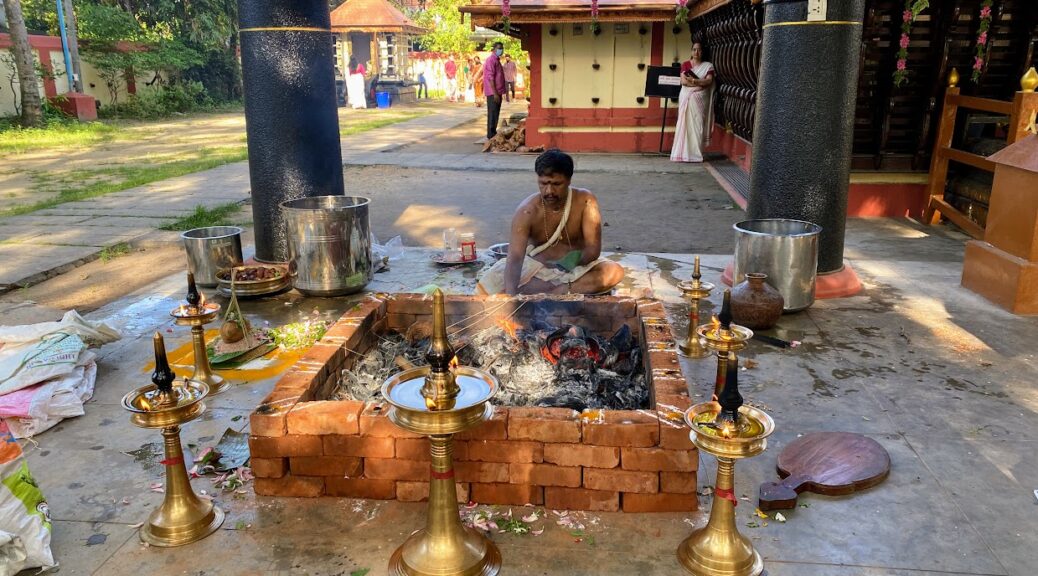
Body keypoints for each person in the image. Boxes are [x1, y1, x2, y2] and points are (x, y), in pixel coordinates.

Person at [476, 149, 625, 295]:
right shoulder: (527, 211)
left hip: (577, 269)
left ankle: (557, 292)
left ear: (568, 180)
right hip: (538, 272)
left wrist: (566, 265)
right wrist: (511, 298)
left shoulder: (585, 201)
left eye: (556, 184)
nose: (549, 191)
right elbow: (515, 258)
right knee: (494, 282)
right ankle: (561, 291)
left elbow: (593, 250)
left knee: (613, 272)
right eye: (543, 183)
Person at [670, 42, 715, 163]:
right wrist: (698, 83)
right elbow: (683, 82)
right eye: (694, 50)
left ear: (702, 52)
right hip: (686, 98)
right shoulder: (685, 65)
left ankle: (696, 154)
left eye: (699, 50)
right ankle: (683, 154)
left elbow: (708, 82)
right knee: (685, 124)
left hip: (700, 100)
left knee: (697, 125)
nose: (696, 52)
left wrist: (694, 81)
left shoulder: (708, 66)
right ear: (691, 51)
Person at [483, 43, 507, 140]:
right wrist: (495, 93)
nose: (500, 50)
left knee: (496, 113)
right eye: (499, 48)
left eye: (502, 48)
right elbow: (490, 78)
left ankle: (493, 133)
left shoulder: (497, 60)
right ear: (494, 49)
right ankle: (491, 135)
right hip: (493, 92)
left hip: (498, 92)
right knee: (492, 114)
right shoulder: (491, 60)